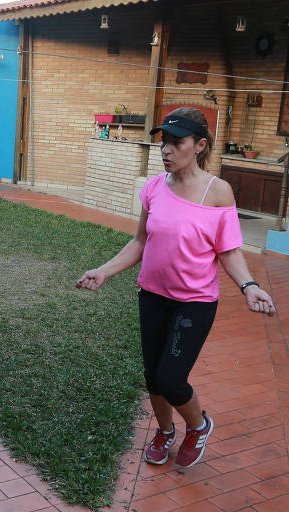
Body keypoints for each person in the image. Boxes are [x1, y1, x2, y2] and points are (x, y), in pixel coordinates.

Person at [76, 107, 276, 469]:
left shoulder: (218, 192)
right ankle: (165, 431)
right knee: (153, 377)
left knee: (171, 377)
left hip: (194, 302)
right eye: (164, 142)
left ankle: (198, 426)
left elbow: (228, 251)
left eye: (176, 143)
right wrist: (105, 271)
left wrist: (249, 286)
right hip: (152, 295)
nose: (166, 150)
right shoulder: (154, 188)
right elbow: (140, 241)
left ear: (199, 145)